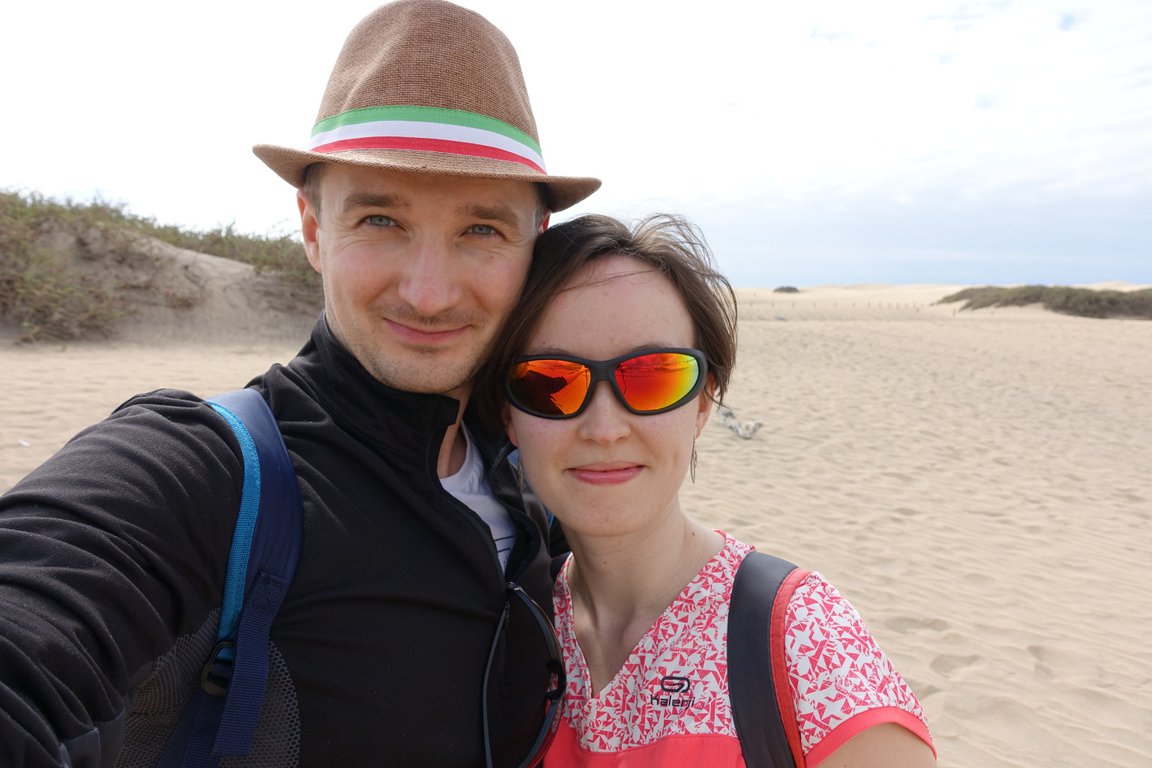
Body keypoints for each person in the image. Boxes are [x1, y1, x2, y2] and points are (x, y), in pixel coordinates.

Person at [0, 2, 599, 766]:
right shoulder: (209, 468)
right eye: (381, 220)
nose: (429, 292)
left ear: (533, 247)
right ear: (315, 232)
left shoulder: (534, 475)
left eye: (481, 230)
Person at [478, 214, 938, 767]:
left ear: (702, 403)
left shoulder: (804, 641)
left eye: (653, 376)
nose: (604, 428)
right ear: (508, 413)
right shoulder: (509, 627)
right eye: (549, 382)